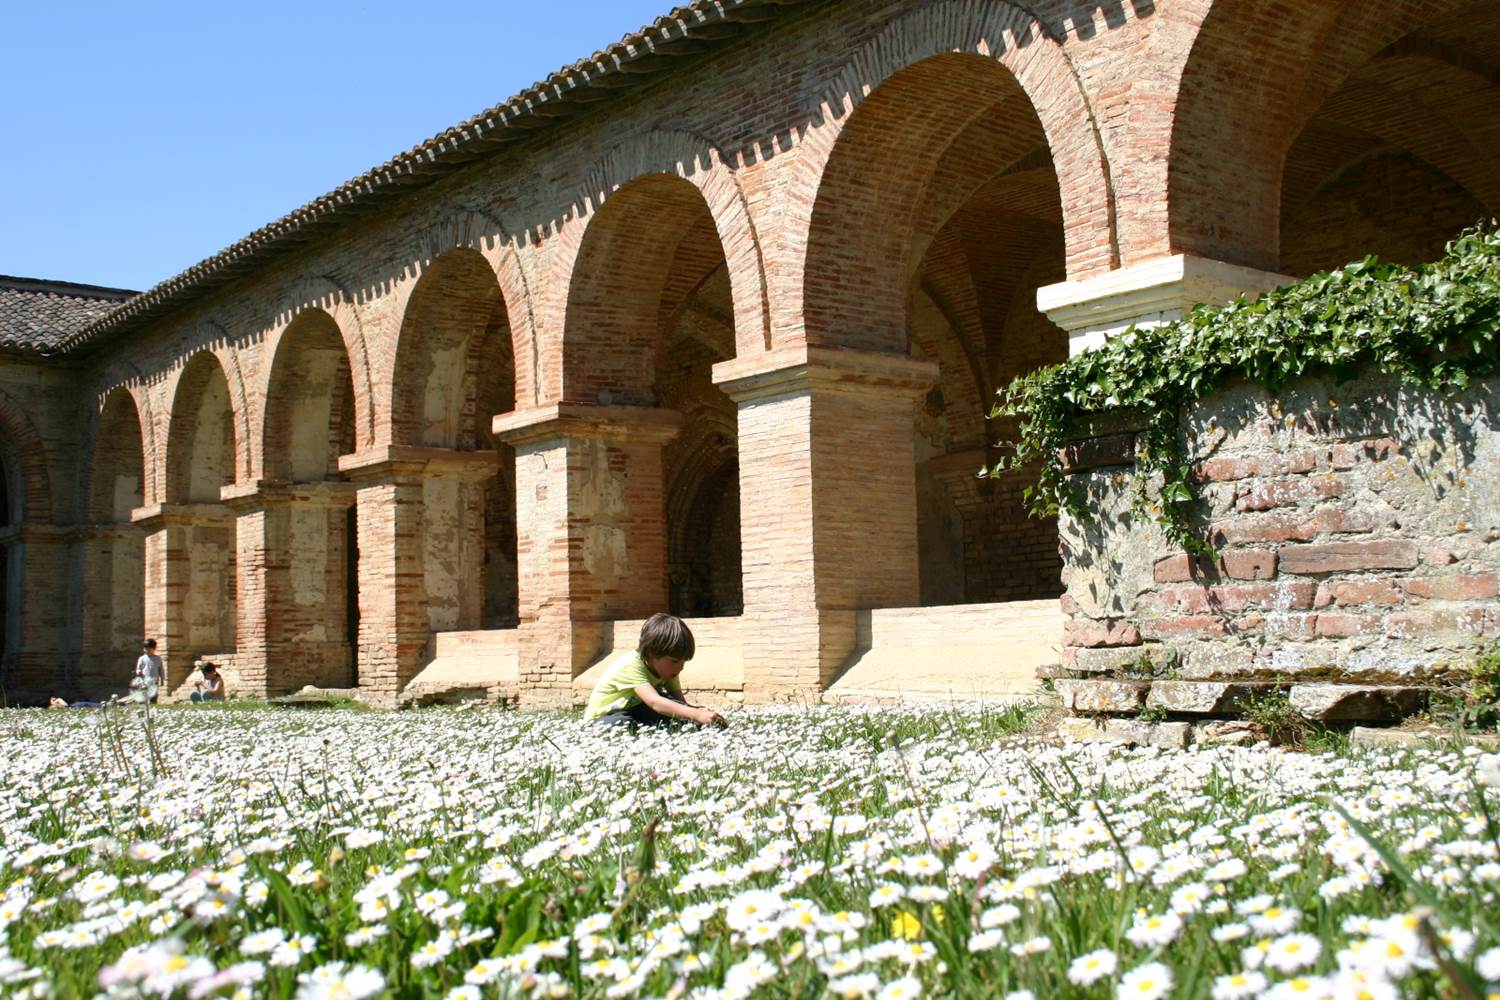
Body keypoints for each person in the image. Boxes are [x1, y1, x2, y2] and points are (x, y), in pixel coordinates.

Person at [585, 613, 726, 729]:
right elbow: (655, 702)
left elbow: (679, 702)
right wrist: (696, 714)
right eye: (674, 661)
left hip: (636, 710)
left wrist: (698, 713)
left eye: (684, 661)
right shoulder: (631, 664)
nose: (681, 667)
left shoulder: (668, 671)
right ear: (652, 654)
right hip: (604, 717)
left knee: (682, 716)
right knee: (621, 724)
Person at [134, 639, 163, 703]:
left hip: (154, 681)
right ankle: (142, 704)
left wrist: (162, 679)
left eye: (149, 649)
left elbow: (161, 669)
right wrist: (138, 671)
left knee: (153, 694)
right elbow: (138, 668)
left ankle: (153, 704)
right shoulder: (142, 658)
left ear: (154, 649)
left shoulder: (158, 659)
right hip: (144, 680)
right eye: (145, 649)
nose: (147, 651)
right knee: (143, 693)